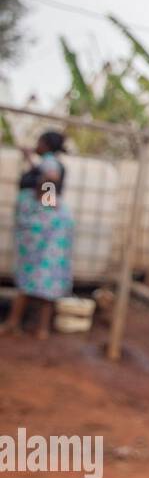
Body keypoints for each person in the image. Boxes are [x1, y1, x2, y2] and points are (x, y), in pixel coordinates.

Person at [2, 131, 74, 340]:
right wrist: (29, 160)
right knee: (47, 276)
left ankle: (15, 323)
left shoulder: (50, 164)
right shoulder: (48, 162)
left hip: (44, 228)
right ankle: (40, 328)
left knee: (34, 273)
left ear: (46, 145)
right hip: (50, 226)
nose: (36, 145)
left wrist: (45, 202)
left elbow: (50, 179)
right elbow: (44, 174)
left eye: (39, 142)